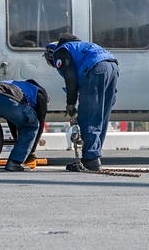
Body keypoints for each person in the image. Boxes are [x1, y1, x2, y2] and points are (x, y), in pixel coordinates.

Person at [44, 33, 119, 172]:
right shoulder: (84, 47)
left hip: (96, 68)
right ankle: (93, 155)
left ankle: (90, 159)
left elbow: (70, 77)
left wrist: (70, 104)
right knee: (100, 116)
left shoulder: (61, 51)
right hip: (112, 67)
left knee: (88, 116)